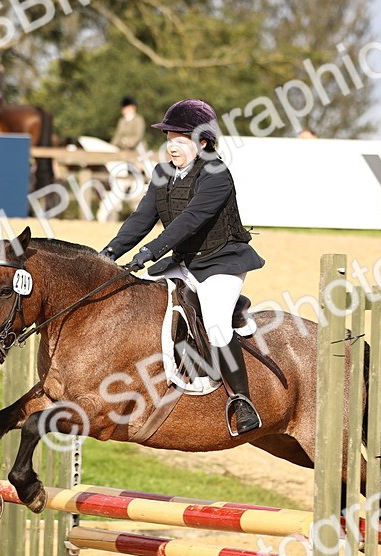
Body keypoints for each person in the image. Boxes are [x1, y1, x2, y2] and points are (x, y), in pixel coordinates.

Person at [100, 99, 264, 436]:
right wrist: (108, 254)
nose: (172, 147)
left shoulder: (217, 175)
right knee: (148, 305)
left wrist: (151, 250)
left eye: (180, 140)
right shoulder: (162, 174)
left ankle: (242, 401)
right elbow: (141, 219)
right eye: (169, 139)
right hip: (183, 262)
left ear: (202, 141)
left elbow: (190, 221)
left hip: (221, 262)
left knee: (217, 323)